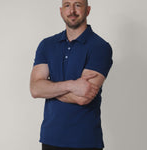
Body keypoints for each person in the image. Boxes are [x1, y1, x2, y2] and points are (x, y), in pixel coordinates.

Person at [30, 0, 113, 150]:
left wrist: (49, 89)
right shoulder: (47, 45)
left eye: (78, 5)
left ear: (88, 10)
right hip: (50, 139)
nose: (72, 10)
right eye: (67, 5)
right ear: (61, 11)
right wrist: (72, 85)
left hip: (85, 140)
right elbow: (35, 89)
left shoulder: (100, 47)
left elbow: (83, 97)